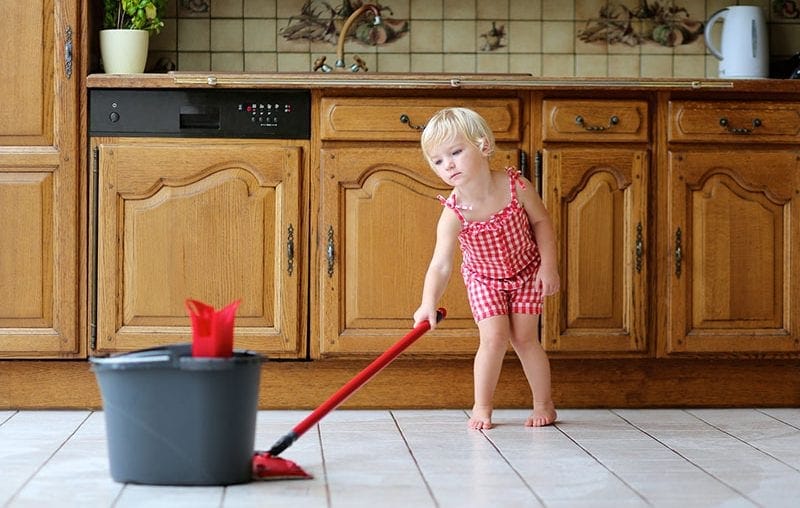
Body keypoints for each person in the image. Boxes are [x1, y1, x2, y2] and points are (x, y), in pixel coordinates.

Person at [413, 107, 560, 430]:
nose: (448, 164)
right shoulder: (454, 212)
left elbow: (542, 222)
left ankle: (544, 404)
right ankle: (482, 407)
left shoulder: (515, 186)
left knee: (524, 338)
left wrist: (548, 268)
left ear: (482, 147)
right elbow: (440, 264)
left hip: (525, 273)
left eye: (455, 152)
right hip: (484, 279)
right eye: (437, 160)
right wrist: (427, 303)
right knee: (493, 338)